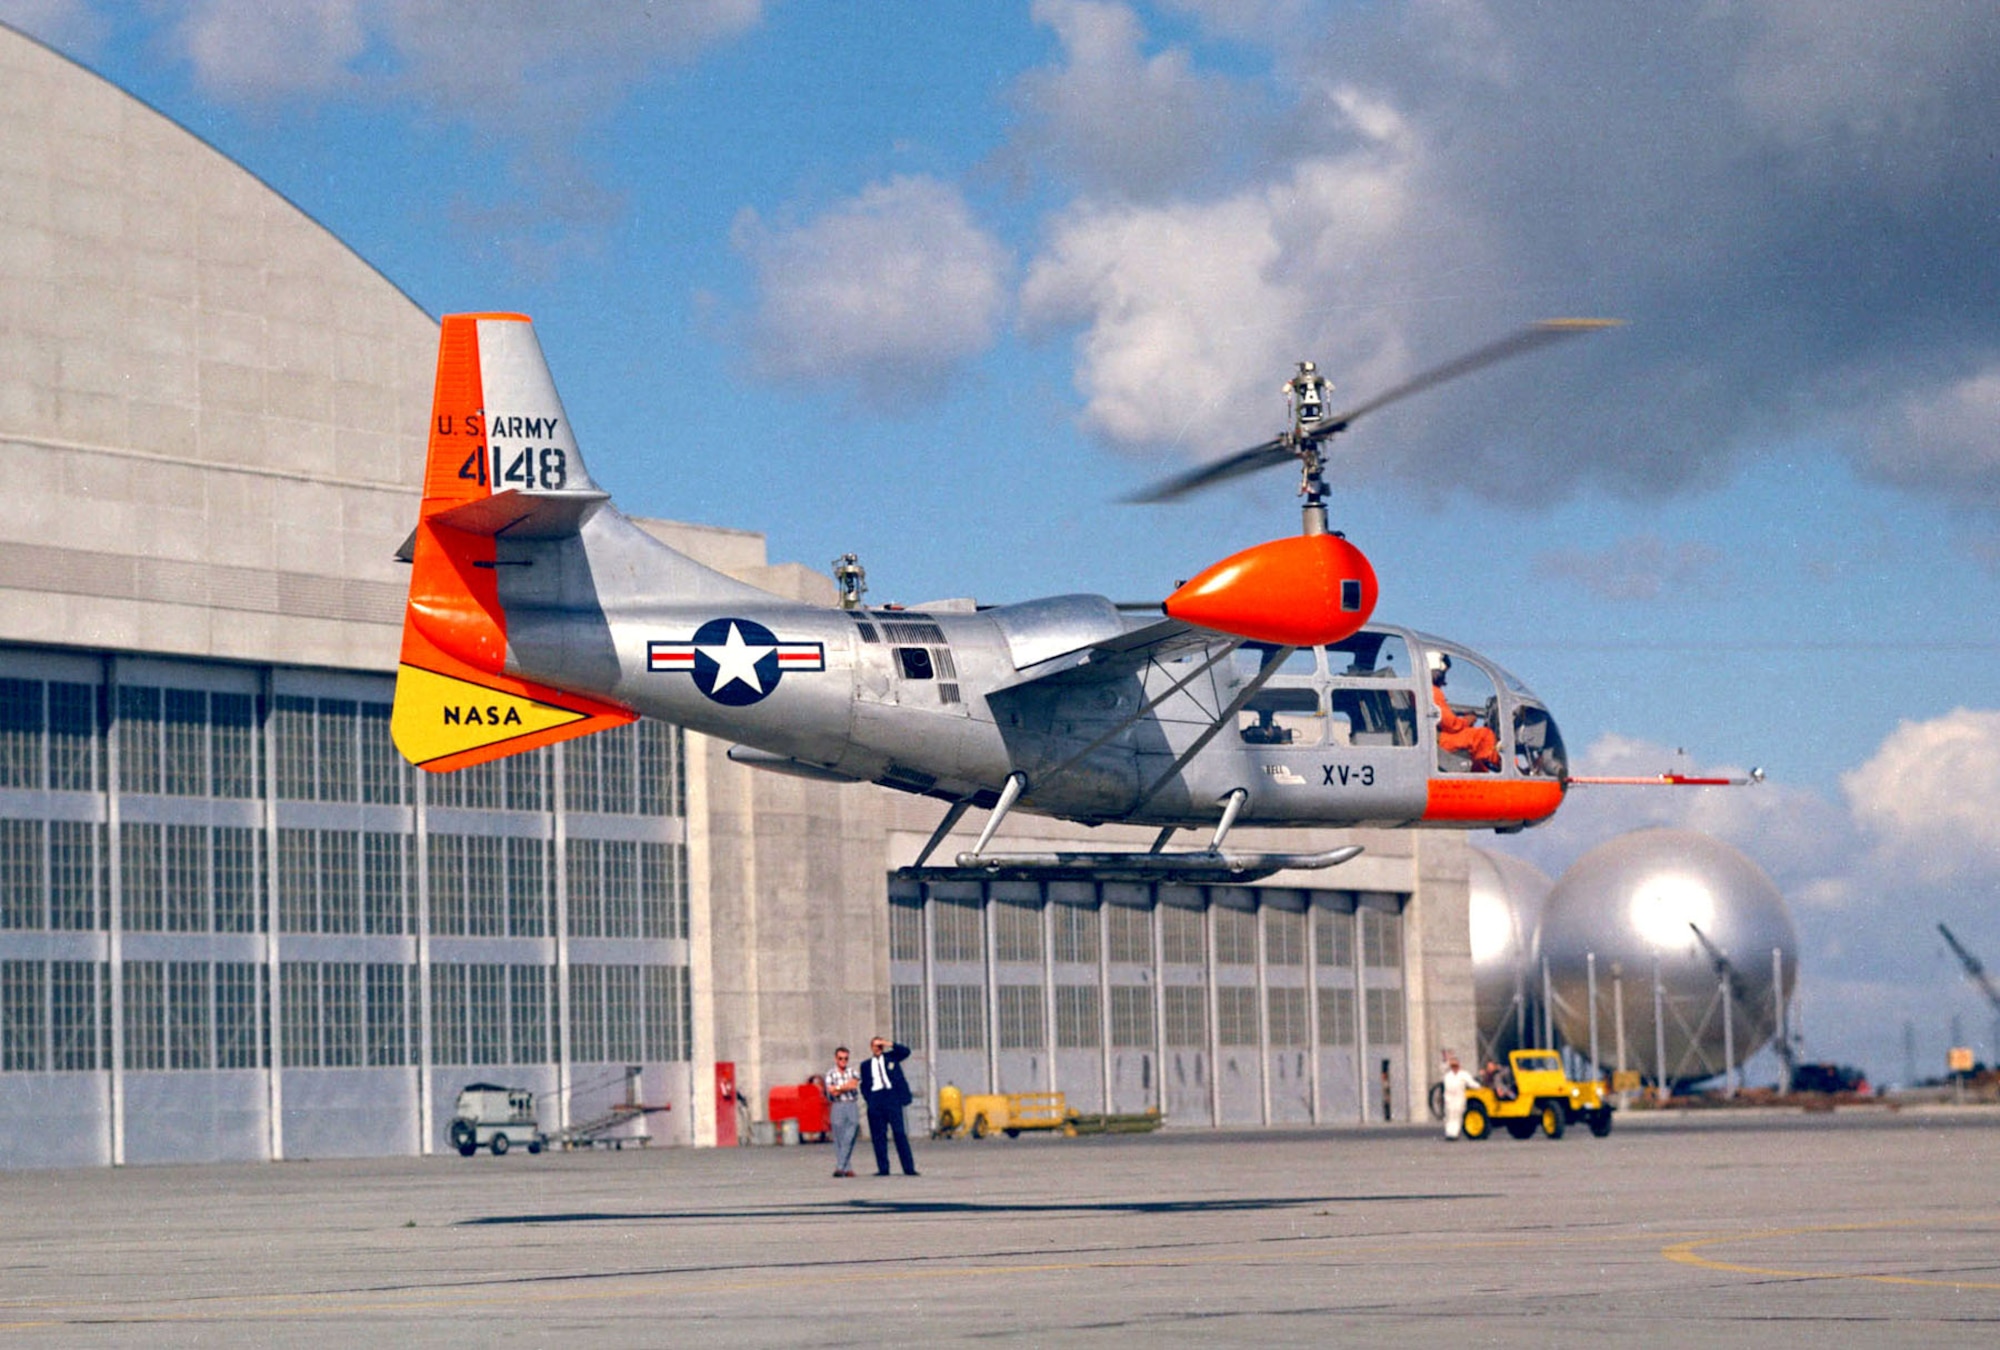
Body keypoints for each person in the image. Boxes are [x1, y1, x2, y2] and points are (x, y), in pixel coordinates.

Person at [1428, 651, 1500, 772]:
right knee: (1483, 735)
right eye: (1443, 673)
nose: (1444, 677)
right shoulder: (1432, 692)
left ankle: (1482, 775)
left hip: (1437, 737)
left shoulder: (1427, 691)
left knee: (1477, 752)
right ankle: (1511, 769)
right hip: (1440, 739)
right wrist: (1467, 720)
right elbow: (1451, 724)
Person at [859, 1035, 919, 1176]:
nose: (878, 1048)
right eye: (875, 1046)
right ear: (871, 1048)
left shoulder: (891, 1058)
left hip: (891, 1097)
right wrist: (870, 1099)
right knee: (878, 1136)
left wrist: (888, 1043)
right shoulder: (865, 1065)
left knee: (899, 1133)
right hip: (876, 1098)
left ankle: (908, 1168)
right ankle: (883, 1168)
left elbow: (906, 1051)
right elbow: (865, 1085)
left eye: (880, 1046)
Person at [824, 1047, 861, 1178]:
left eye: (846, 1058)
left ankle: (840, 1166)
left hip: (851, 1104)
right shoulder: (830, 1074)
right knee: (839, 1138)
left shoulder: (853, 1072)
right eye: (840, 1058)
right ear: (836, 1059)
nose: (843, 1061)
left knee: (850, 1135)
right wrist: (843, 1087)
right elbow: (832, 1091)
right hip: (838, 1105)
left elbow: (853, 1085)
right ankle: (846, 1168)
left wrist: (838, 1087)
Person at [1441, 1054, 1480, 1140]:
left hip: (1459, 1098)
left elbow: (1471, 1083)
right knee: (1449, 1116)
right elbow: (1442, 1068)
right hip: (1449, 1098)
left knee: (1457, 1116)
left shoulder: (1463, 1074)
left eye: (1456, 1065)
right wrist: (1446, 1059)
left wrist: (1479, 1087)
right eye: (1452, 1065)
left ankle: (1454, 1134)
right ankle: (1449, 1133)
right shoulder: (1447, 1075)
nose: (1454, 1067)